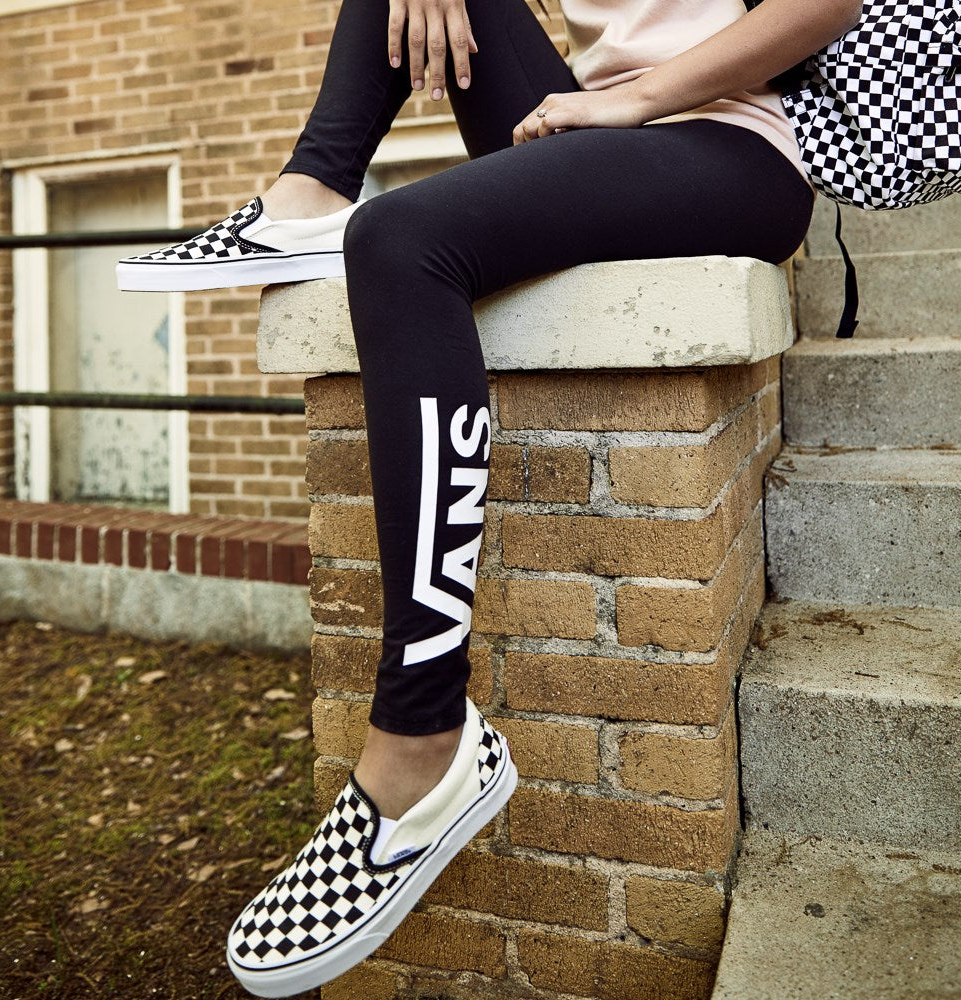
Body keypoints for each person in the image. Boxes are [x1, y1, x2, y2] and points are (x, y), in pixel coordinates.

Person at [118, 0, 862, 994]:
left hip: (729, 150)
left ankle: (424, 734)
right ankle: (306, 190)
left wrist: (633, 99)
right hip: (602, 126)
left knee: (402, 238)